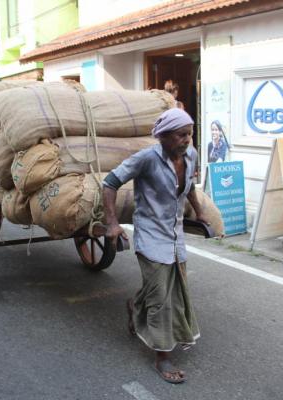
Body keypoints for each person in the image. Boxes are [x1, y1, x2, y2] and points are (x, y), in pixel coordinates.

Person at [103, 108, 208, 384]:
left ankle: (134, 305)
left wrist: (199, 212)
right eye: (181, 135)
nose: (187, 140)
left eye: (190, 134)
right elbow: (110, 183)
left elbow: (190, 186)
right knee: (162, 298)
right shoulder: (146, 159)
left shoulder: (191, 155)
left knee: (169, 288)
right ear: (163, 137)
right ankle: (162, 357)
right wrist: (112, 223)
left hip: (174, 234)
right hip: (150, 235)